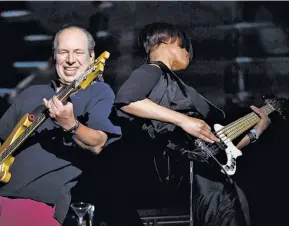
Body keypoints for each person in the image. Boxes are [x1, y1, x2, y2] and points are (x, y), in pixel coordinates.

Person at [108, 22, 271, 226]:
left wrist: (255, 132)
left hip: (214, 182)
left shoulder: (174, 85)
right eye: (185, 46)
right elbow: (126, 99)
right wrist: (184, 120)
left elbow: (218, 151)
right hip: (200, 188)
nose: (189, 54)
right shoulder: (152, 71)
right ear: (167, 39)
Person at [0, 25, 121, 226]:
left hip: (35, 206)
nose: (70, 60)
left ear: (92, 56)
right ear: (54, 56)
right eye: (63, 52)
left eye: (78, 52)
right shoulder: (32, 93)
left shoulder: (99, 92)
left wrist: (71, 125)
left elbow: (98, 142)